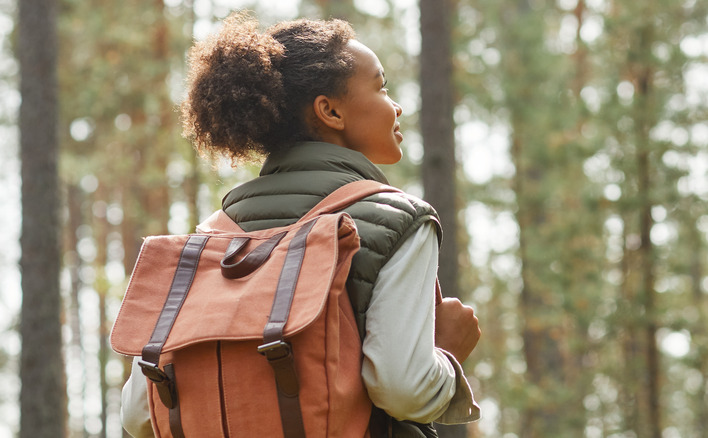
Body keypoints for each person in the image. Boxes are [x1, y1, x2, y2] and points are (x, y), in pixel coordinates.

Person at [120, 13, 481, 437]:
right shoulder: (398, 219)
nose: (396, 105)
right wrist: (444, 352)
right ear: (329, 111)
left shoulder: (209, 239)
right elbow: (403, 389)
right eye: (382, 87)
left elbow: (138, 415)